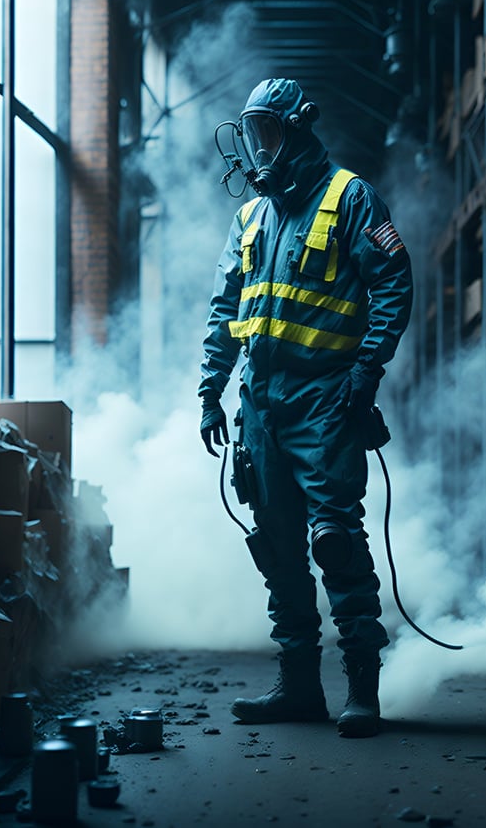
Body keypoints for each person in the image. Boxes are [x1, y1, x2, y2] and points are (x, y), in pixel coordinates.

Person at [198, 77, 413, 738]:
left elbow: (393, 282)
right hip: (259, 406)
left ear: (297, 128)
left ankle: (362, 693)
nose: (258, 145)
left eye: (268, 130)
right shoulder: (250, 218)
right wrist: (211, 386)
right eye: (252, 130)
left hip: (324, 402)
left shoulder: (349, 198)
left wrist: (365, 372)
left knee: (336, 543)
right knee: (279, 549)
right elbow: (226, 306)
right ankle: (298, 688)